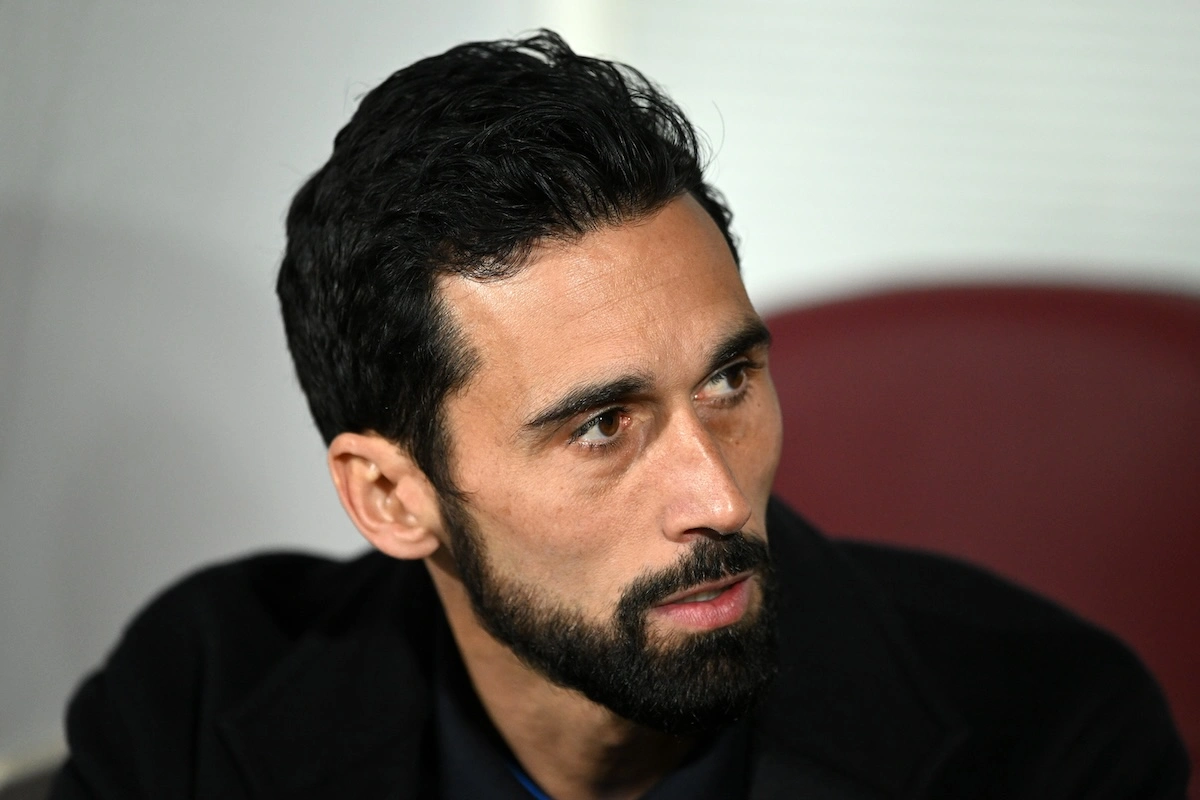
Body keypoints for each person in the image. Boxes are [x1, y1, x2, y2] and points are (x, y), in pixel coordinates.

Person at [51, 31, 1188, 799]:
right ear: (393, 496)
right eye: (604, 425)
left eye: (730, 381)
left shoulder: (1045, 736)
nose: (718, 494)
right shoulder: (193, 711)